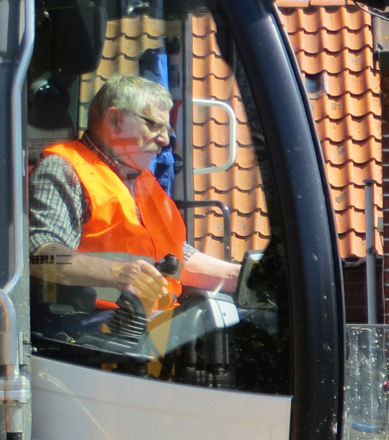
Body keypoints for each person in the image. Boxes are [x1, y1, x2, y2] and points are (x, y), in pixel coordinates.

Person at [28, 73, 237, 318]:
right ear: (114, 121)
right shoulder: (64, 169)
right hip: (93, 325)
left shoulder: (141, 179)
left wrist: (243, 277)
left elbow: (176, 259)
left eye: (167, 129)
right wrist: (117, 273)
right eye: (154, 125)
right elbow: (40, 254)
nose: (165, 140)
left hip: (152, 324)